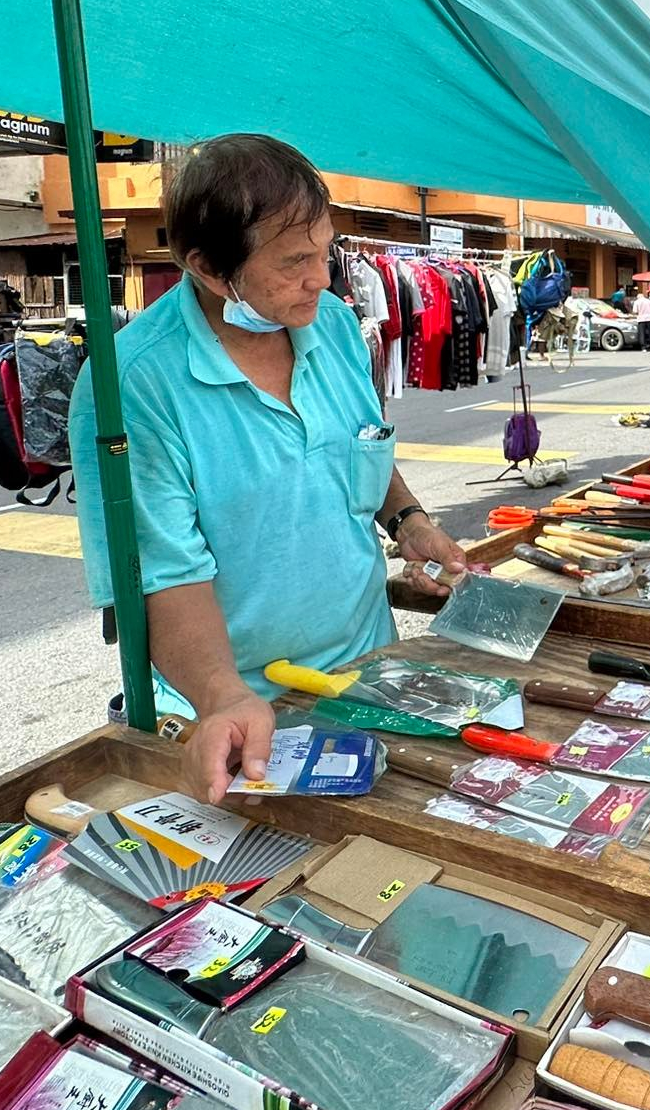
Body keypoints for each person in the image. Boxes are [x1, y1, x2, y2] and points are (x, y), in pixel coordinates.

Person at [71, 135, 469, 804]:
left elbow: (357, 444)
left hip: (370, 668)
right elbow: (163, 575)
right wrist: (222, 697)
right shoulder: (135, 384)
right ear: (205, 266)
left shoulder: (334, 324)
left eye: (326, 252)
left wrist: (408, 521)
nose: (322, 277)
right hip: (243, 714)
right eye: (293, 261)